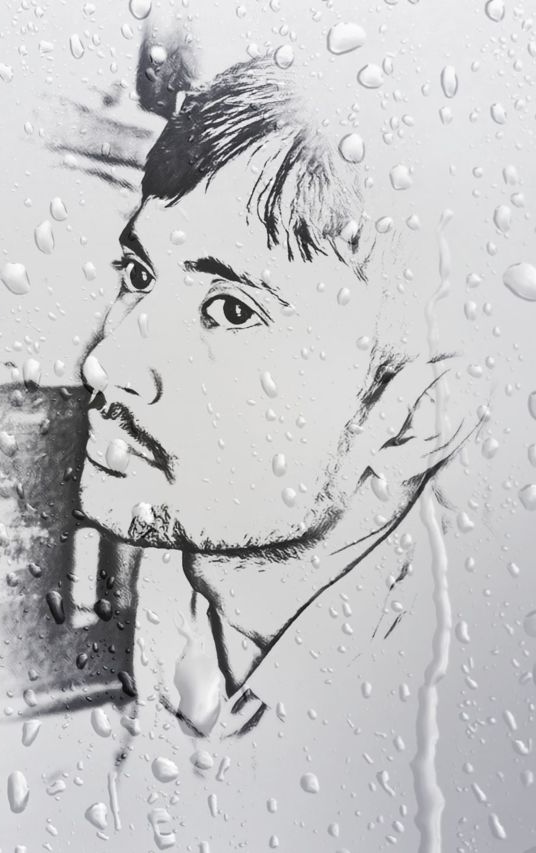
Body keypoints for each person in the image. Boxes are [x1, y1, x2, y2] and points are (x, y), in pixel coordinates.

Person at [77, 56, 479, 737]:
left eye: (231, 311)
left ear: (415, 423)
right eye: (140, 274)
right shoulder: (193, 566)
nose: (105, 363)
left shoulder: (443, 723)